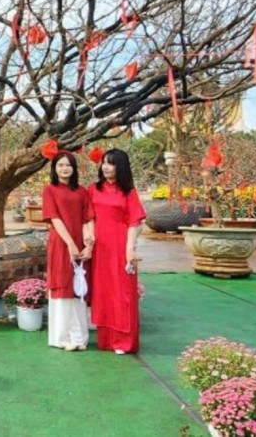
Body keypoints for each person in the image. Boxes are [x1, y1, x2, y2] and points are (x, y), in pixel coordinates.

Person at [87, 148, 147, 355]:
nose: (105, 166)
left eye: (111, 163)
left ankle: (124, 341)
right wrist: (89, 240)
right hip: (100, 248)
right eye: (104, 162)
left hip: (121, 246)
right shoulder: (93, 189)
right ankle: (106, 340)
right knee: (104, 293)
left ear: (120, 167)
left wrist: (130, 248)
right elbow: (88, 218)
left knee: (123, 293)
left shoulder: (128, 192)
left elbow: (135, 222)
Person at [42, 152, 95, 351]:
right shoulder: (50, 190)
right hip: (61, 242)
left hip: (80, 244)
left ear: (74, 169)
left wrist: (88, 245)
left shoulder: (82, 191)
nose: (64, 169)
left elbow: (88, 218)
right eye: (60, 165)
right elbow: (54, 219)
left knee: (78, 288)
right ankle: (61, 338)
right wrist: (71, 244)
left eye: (68, 165)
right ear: (54, 168)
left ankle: (79, 338)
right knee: (62, 285)